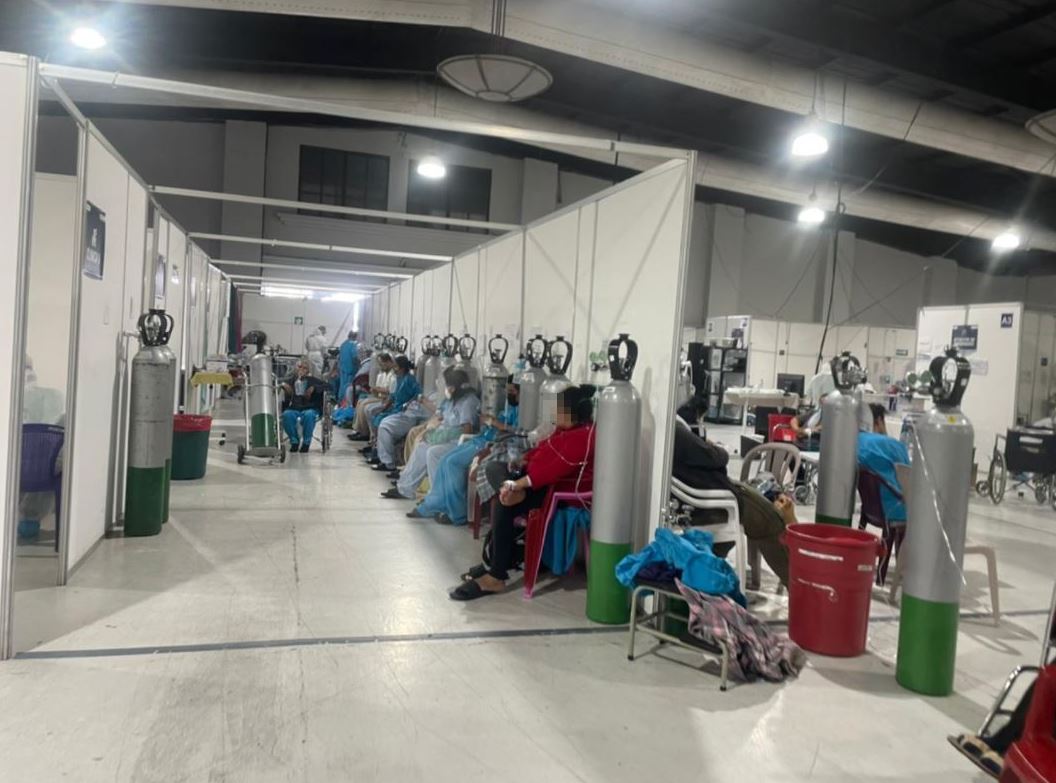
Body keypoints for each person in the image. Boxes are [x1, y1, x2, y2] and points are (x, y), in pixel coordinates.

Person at [450, 384, 595, 601]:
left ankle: (496, 575)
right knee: (493, 468)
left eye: (557, 408)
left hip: (549, 491)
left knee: (503, 505)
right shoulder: (564, 431)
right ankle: (506, 489)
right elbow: (542, 448)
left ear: (570, 411)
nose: (553, 413)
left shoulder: (582, 437)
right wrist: (523, 459)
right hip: (530, 483)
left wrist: (519, 485)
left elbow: (552, 471)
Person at [672, 400, 795, 588]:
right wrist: (716, 449)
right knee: (772, 520)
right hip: (716, 500)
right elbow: (715, 458)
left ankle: (709, 579)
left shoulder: (662, 431)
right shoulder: (677, 432)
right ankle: (797, 586)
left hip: (700, 498)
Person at [410, 379, 519, 523]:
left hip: (493, 444)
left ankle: (458, 513)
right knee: (444, 460)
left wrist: (494, 423)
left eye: (512, 391)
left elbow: (516, 430)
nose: (508, 394)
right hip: (481, 439)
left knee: (453, 463)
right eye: (507, 391)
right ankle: (439, 504)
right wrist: (488, 421)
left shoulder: (523, 411)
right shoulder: (508, 407)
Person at [381, 368, 480, 494]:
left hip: (460, 442)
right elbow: (441, 417)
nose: (445, 388)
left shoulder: (468, 402)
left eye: (447, 384)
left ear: (454, 386)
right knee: (422, 447)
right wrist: (432, 432)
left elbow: (467, 430)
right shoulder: (453, 400)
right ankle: (405, 488)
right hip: (447, 439)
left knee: (433, 453)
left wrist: (445, 435)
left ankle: (436, 497)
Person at [858, 403, 910, 523]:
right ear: (879, 420)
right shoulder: (892, 445)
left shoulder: (855, 440)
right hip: (895, 508)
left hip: (869, 509)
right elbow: (908, 478)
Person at [367, 355, 420, 448]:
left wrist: (408, 404)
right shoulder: (398, 378)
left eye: (395, 366)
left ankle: (381, 448)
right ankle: (375, 445)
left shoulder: (410, 380)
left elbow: (418, 395)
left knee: (381, 422)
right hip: (395, 408)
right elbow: (393, 395)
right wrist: (384, 408)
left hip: (403, 411)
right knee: (376, 416)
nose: (394, 369)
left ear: (402, 368)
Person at [280, 359, 327, 452]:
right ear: (295, 369)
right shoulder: (292, 380)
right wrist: (283, 385)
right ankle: (294, 441)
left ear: (308, 370)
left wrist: (314, 388)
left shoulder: (313, 380)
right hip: (294, 408)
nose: (302, 370)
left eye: (305, 368)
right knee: (287, 415)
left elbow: (328, 386)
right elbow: (279, 383)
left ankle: (306, 443)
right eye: (299, 367)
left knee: (309, 415)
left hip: (310, 408)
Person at [349, 352, 394, 440]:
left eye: (382, 364)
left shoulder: (393, 375)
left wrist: (376, 389)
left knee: (366, 407)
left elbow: (389, 391)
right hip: (380, 397)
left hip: (386, 399)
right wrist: (375, 390)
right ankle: (359, 430)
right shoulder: (383, 373)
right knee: (360, 402)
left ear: (388, 362)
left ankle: (367, 434)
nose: (381, 366)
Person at [338, 330, 361, 402]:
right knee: (349, 386)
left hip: (343, 369)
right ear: (355, 337)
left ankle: (340, 401)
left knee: (342, 386)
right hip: (351, 370)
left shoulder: (343, 344)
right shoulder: (353, 345)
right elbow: (354, 358)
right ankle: (347, 403)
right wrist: (360, 365)